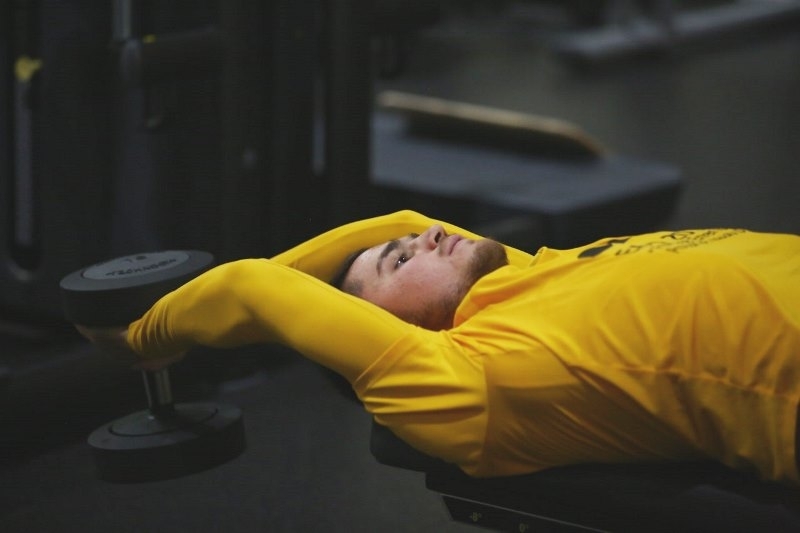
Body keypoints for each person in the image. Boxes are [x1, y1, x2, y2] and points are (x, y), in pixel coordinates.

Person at [79, 210, 800, 486]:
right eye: (399, 261)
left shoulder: (531, 273)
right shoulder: (469, 378)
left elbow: (395, 219)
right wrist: (141, 337)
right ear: (395, 334)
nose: (426, 234)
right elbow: (251, 286)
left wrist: (385, 251)